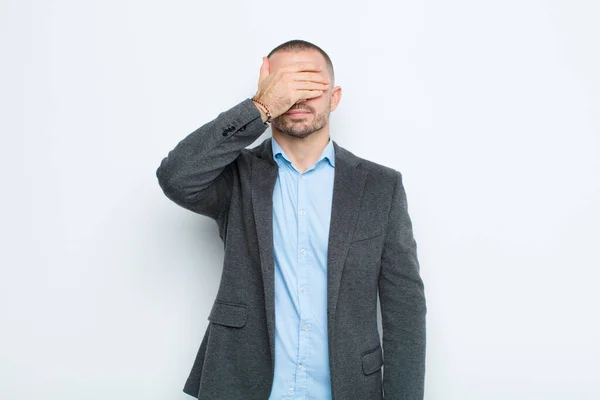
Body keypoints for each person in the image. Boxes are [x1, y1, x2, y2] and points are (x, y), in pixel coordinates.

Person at [156, 39, 426, 400]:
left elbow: (404, 306)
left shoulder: (380, 186)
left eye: (311, 86)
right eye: (286, 86)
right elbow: (176, 177)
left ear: (335, 97)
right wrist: (260, 107)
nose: (298, 99)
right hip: (243, 385)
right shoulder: (235, 177)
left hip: (347, 389)